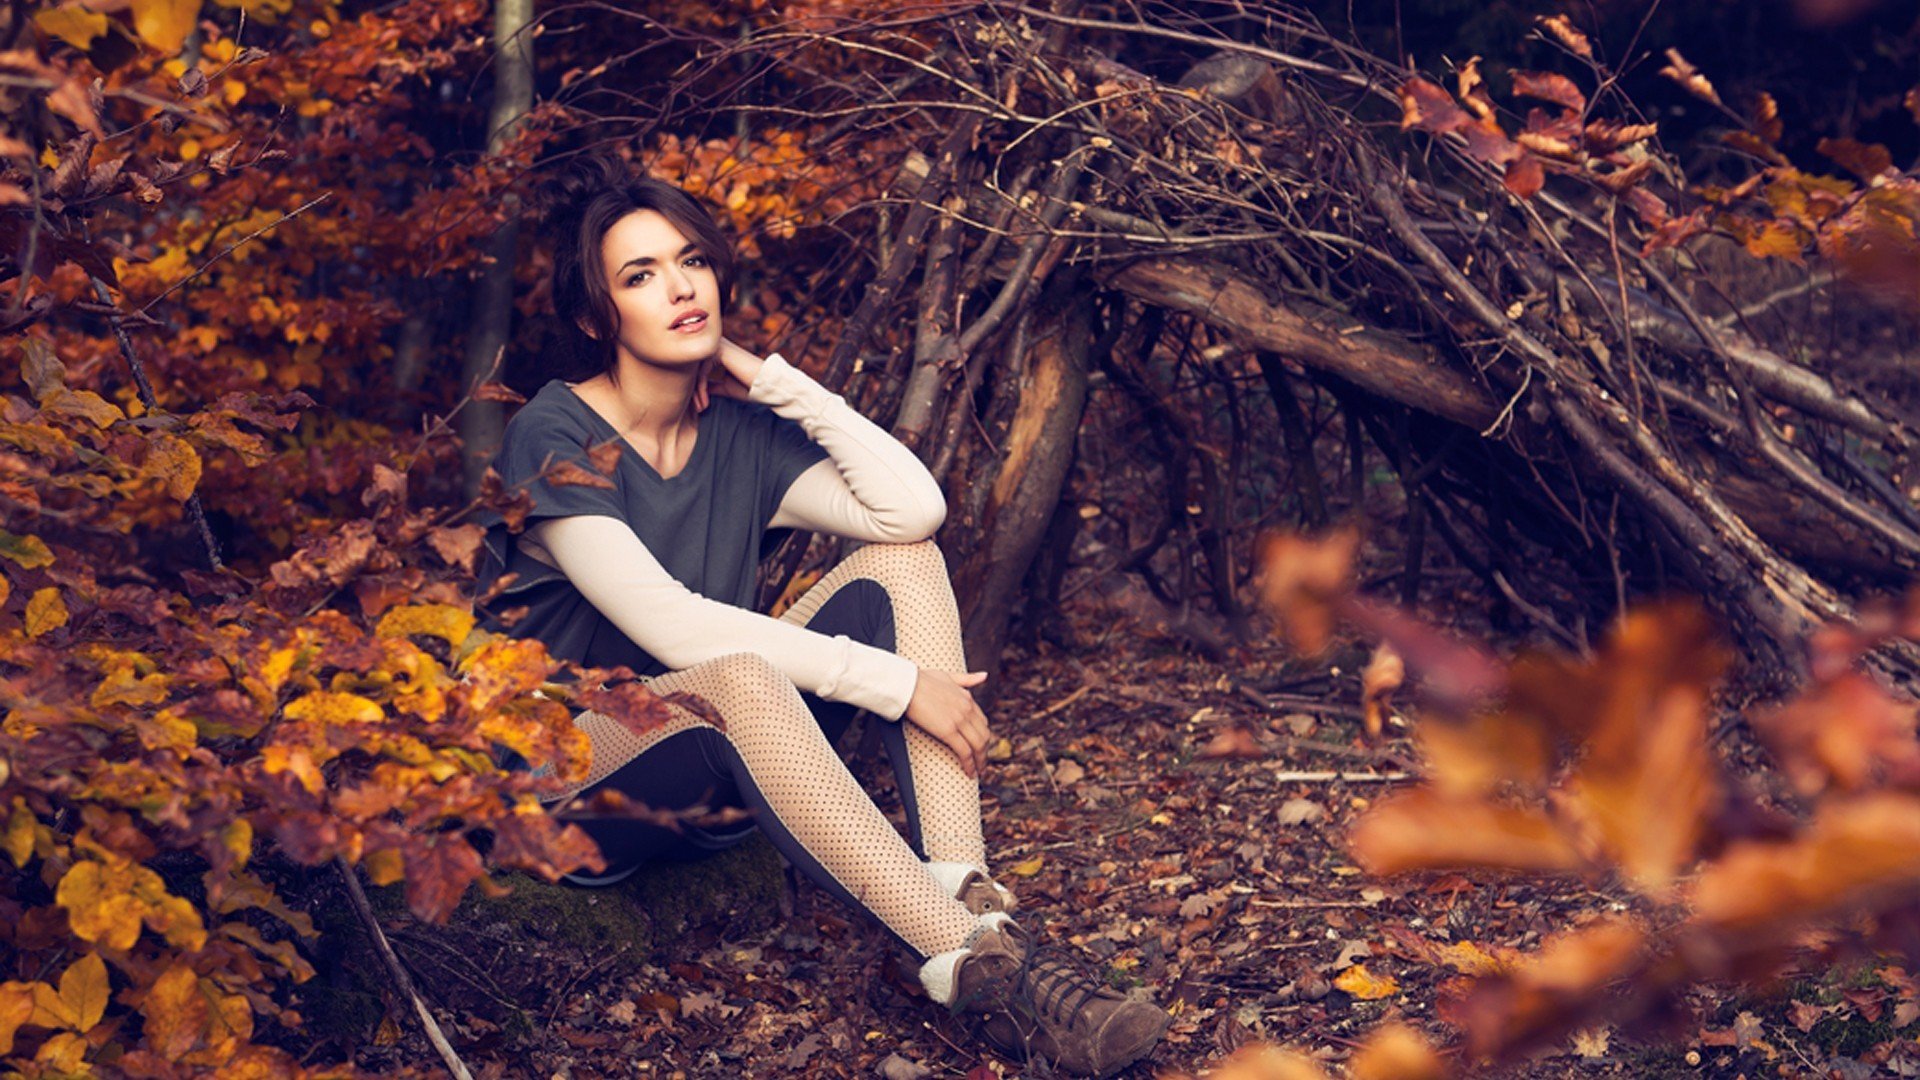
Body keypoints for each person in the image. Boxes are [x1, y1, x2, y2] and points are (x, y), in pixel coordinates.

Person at [472, 153, 1169, 1077]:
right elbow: (672, 628)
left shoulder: (736, 426)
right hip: (562, 778)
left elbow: (910, 513)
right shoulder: (553, 435)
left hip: (712, 762)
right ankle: (992, 979)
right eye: (641, 276)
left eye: (692, 261)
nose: (680, 289)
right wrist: (893, 682)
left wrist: (775, 381)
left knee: (901, 566)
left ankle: (966, 904)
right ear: (599, 316)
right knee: (738, 672)